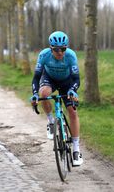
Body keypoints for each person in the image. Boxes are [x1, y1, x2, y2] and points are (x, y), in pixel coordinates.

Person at [30, 31, 83, 166]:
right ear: (51, 48)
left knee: (72, 111)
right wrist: (35, 93)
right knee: (44, 93)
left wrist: (73, 90)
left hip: (67, 82)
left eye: (63, 49)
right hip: (49, 79)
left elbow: (76, 78)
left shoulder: (71, 56)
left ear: (66, 48)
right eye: (56, 49)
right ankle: (51, 122)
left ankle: (76, 149)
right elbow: (36, 77)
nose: (60, 52)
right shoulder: (44, 55)